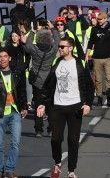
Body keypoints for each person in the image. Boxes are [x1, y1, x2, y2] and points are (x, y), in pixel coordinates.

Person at [36, 36, 92, 178]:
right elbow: (48, 85)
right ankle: (57, 163)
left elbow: (88, 85)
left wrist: (87, 103)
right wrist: (42, 103)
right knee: (55, 138)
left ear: (70, 48)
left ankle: (71, 170)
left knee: (73, 140)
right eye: (59, 46)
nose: (60, 49)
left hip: (75, 106)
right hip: (58, 106)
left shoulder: (79, 63)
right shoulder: (56, 62)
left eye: (62, 47)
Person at [0, 49, 27, 178]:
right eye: (0, 57)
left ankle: (9, 169)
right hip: (0, 113)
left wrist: (24, 107)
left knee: (15, 142)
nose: (3, 59)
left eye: (5, 56)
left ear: (9, 58)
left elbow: (22, 92)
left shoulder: (17, 73)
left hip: (15, 112)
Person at [85, 10, 110, 106]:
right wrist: (87, 55)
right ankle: (99, 97)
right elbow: (90, 43)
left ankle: (109, 97)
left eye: (100, 19)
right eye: (97, 19)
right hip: (96, 58)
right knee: (98, 79)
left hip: (108, 58)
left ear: (105, 19)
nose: (98, 21)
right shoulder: (94, 29)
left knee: (109, 78)